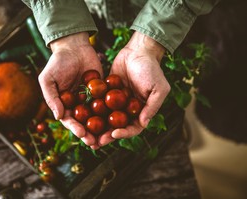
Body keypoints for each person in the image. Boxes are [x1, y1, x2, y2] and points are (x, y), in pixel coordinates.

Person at [21, 0, 219, 149]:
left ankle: (189, 127)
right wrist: (65, 36)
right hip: (89, 9)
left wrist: (152, 40)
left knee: (218, 86)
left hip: (184, 16)